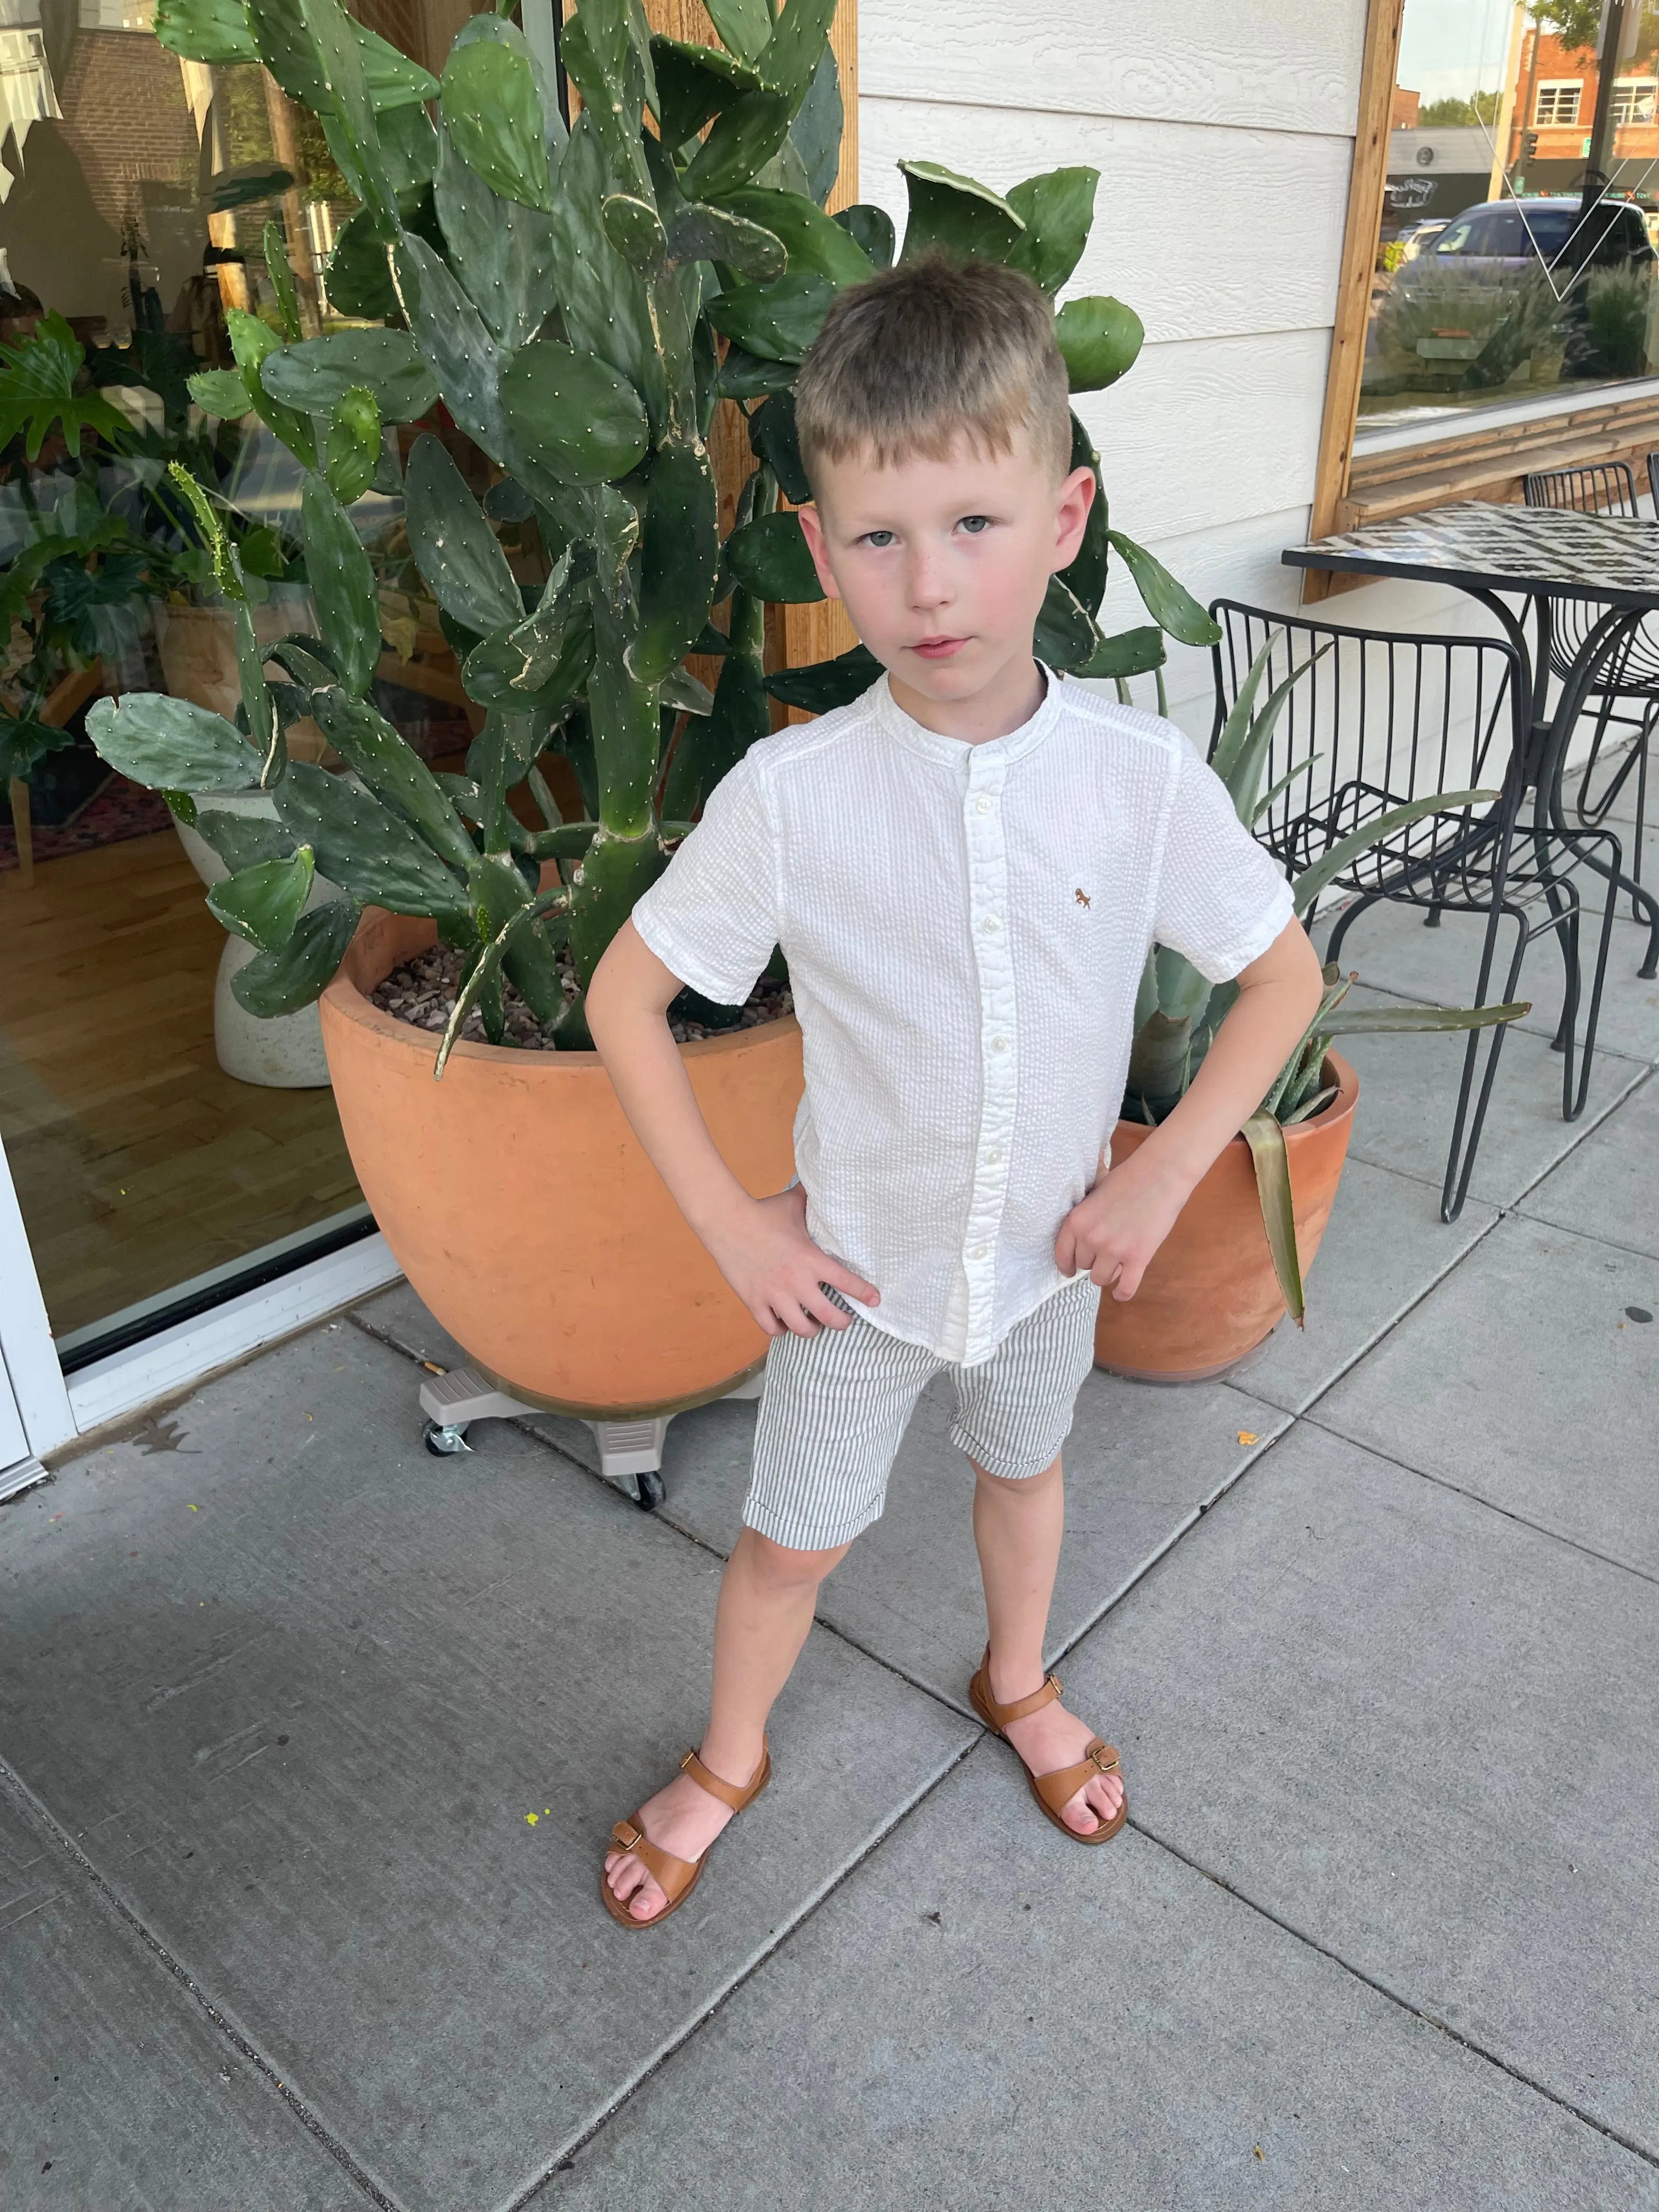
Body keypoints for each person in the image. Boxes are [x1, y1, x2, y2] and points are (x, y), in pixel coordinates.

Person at [586, 255, 1325, 1928]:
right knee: (790, 1542)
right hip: (857, 1280)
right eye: (878, 538)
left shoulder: (1139, 782)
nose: (929, 586)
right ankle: (729, 1754)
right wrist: (732, 1227)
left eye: (974, 525)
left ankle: (1018, 1676)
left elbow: (1282, 978)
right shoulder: (793, 797)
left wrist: (1158, 1175)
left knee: (1026, 1475)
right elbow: (625, 999)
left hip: (1048, 1265)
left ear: (1064, 520)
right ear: (819, 544)